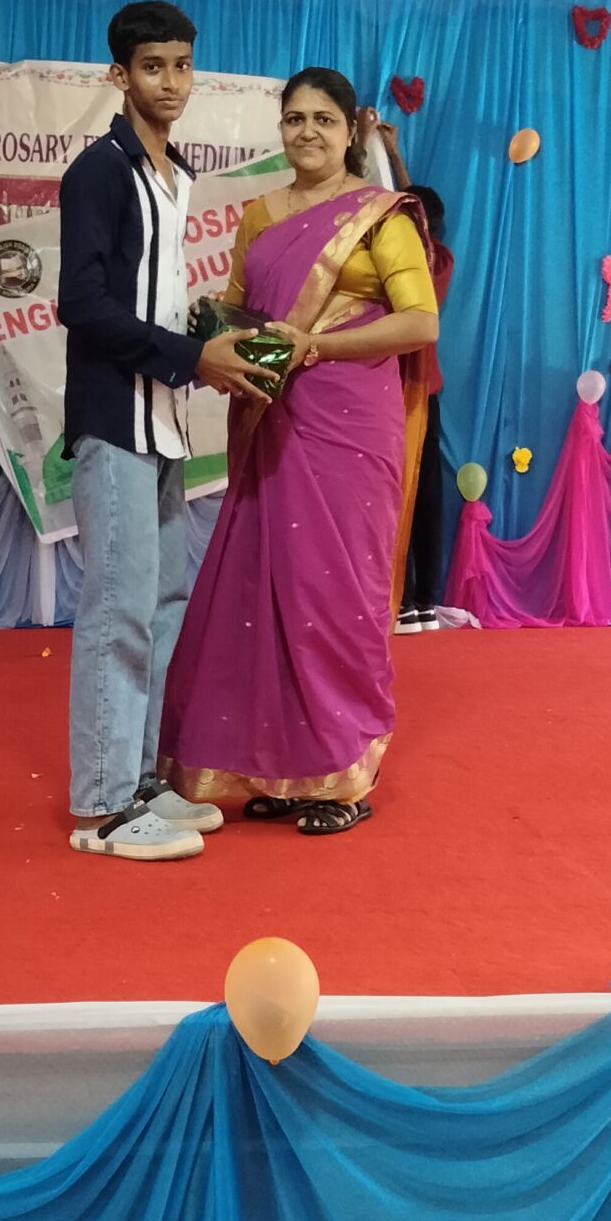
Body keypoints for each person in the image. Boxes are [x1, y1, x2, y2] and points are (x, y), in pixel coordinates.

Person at [158, 69, 439, 837]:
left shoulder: (382, 217)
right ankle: (283, 770)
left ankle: (343, 776)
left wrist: (318, 345)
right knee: (265, 591)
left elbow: (420, 323)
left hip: (350, 427)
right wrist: (215, 341)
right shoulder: (260, 215)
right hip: (271, 420)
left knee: (333, 593)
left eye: (323, 119)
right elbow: (241, 310)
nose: (307, 132)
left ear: (350, 132)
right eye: (294, 119)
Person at [57, 0, 272, 864]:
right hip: (115, 417)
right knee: (118, 608)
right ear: (120, 75)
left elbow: (150, 296)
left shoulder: (175, 174)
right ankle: (104, 808)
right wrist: (192, 354)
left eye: (182, 65)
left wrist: (209, 332)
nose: (171, 82)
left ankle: (140, 780)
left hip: (168, 423)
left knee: (162, 606)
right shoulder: (100, 171)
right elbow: (81, 303)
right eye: (153, 67)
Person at [359, 107, 455, 633]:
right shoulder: (442, 259)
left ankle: (399, 596)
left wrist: (373, 147)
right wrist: (393, 154)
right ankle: (422, 600)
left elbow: (403, 214)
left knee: (397, 489)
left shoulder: (409, 263)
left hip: (401, 388)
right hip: (424, 388)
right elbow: (417, 211)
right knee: (424, 491)